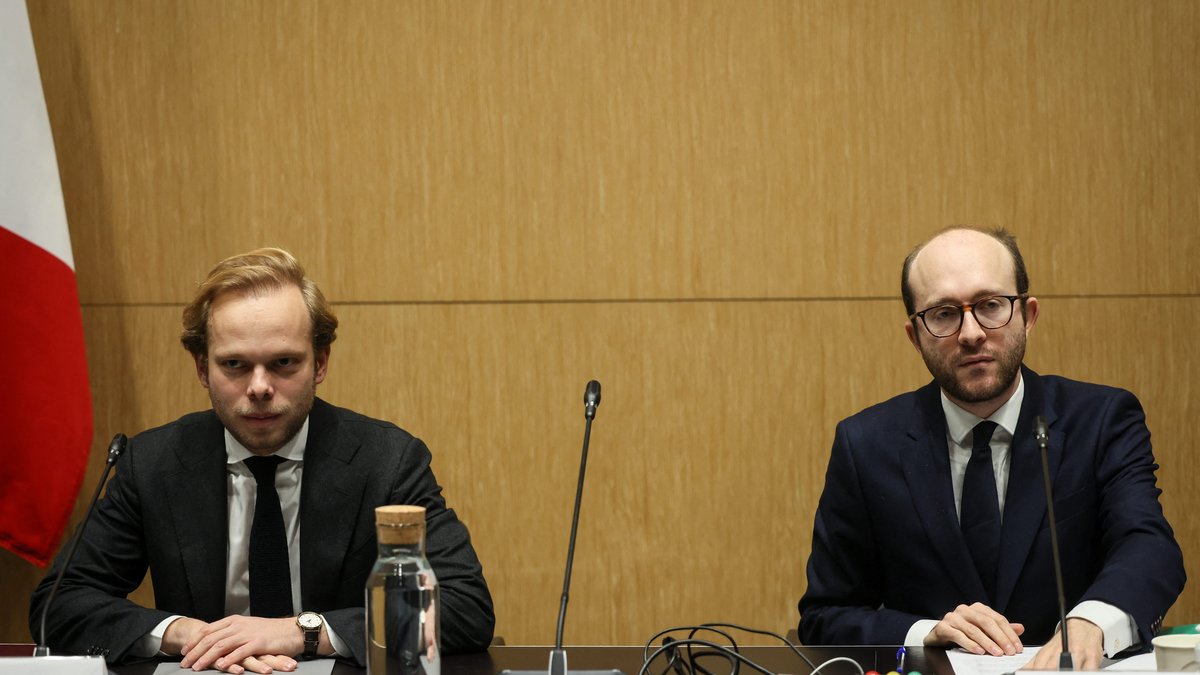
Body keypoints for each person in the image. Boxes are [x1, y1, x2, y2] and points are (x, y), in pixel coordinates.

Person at [30, 248, 495, 673]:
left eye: (283, 363)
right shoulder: (153, 464)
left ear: (321, 363)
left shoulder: (386, 461)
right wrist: (184, 633)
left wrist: (302, 631)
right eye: (234, 365)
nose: (258, 387)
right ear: (202, 369)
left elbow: (464, 607)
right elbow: (60, 604)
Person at [797, 226, 1184, 670]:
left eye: (990, 305)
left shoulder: (1101, 420)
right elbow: (826, 616)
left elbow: (1149, 548)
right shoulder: (866, 444)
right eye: (944, 314)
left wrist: (1090, 622)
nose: (971, 333)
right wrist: (926, 633)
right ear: (914, 336)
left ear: (1028, 315)